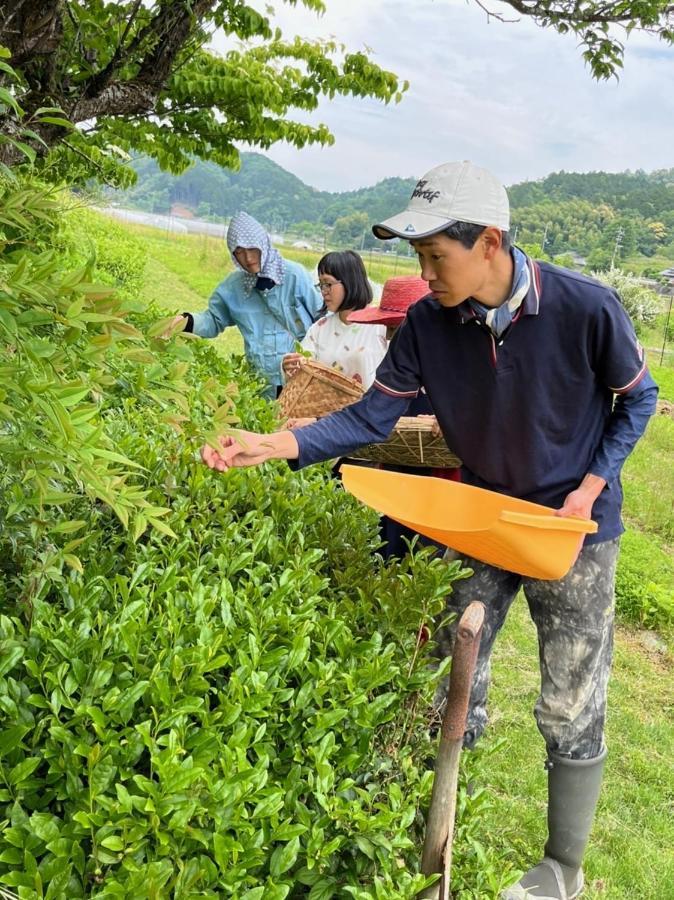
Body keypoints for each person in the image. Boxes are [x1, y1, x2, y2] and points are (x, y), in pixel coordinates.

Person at [201, 161, 658, 900]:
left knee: (571, 697)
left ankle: (561, 868)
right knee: (453, 673)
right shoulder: (426, 324)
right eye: (417, 256)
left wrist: (592, 484)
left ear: (490, 243)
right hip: (481, 516)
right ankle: (432, 822)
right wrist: (274, 443)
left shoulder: (586, 307)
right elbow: (369, 418)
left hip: (571, 531)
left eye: (434, 256)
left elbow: (638, 400)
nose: (423, 272)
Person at [347, 274, 460, 560]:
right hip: (396, 473)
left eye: (397, 329)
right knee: (388, 548)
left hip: (439, 482)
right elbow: (371, 412)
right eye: (388, 330)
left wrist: (452, 421)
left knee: (426, 557)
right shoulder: (397, 364)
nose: (390, 338)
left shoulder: (457, 366)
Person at [169, 211, 323, 398]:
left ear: (262, 244)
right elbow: (213, 319)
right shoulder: (235, 286)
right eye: (240, 252)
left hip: (301, 382)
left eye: (252, 249)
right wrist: (185, 322)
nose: (248, 259)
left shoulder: (294, 276)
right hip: (260, 383)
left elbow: (323, 319)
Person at [282, 250, 387, 390]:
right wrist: (290, 367)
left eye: (328, 284)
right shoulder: (319, 328)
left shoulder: (381, 325)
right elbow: (302, 373)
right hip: (327, 410)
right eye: (321, 284)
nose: (323, 291)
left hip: (370, 409)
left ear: (350, 282)